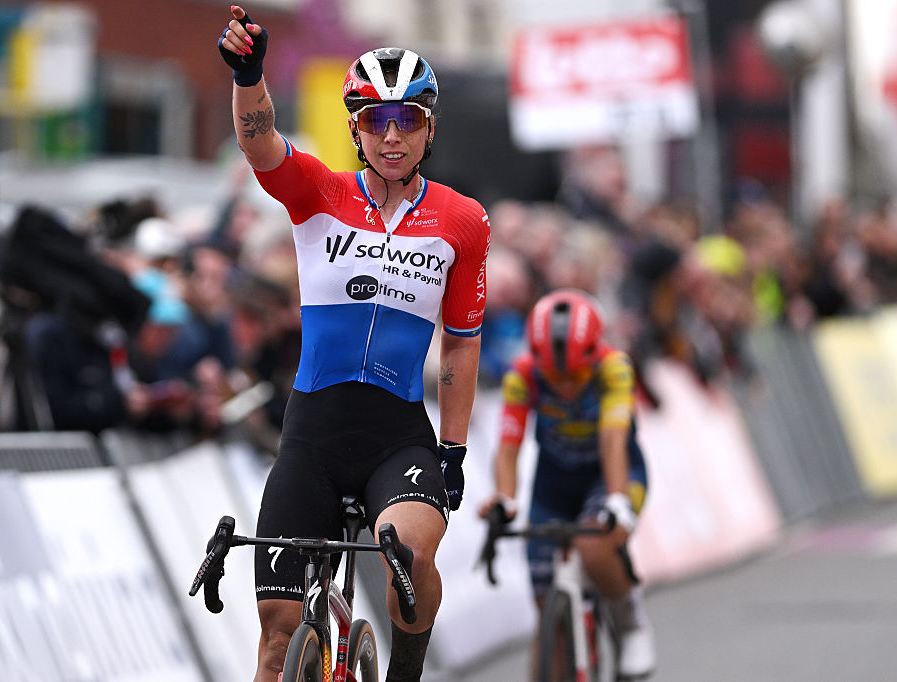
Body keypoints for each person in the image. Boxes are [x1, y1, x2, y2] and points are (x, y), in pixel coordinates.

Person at [218, 8, 490, 681]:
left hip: (395, 439)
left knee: (407, 552)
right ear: (355, 130)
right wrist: (250, 77)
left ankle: (404, 672)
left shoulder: (462, 220)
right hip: (311, 435)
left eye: (407, 120)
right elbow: (260, 143)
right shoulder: (320, 194)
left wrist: (452, 449)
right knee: (279, 640)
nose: (391, 135)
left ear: (429, 128)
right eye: (375, 119)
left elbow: (460, 345)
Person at [479, 288, 656, 680]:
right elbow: (508, 448)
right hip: (553, 485)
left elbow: (613, 439)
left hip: (611, 474)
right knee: (547, 613)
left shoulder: (615, 368)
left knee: (594, 545)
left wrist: (616, 499)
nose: (566, 386)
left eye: (575, 375)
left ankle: (631, 623)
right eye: (555, 376)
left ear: (594, 354)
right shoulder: (522, 375)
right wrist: (505, 500)